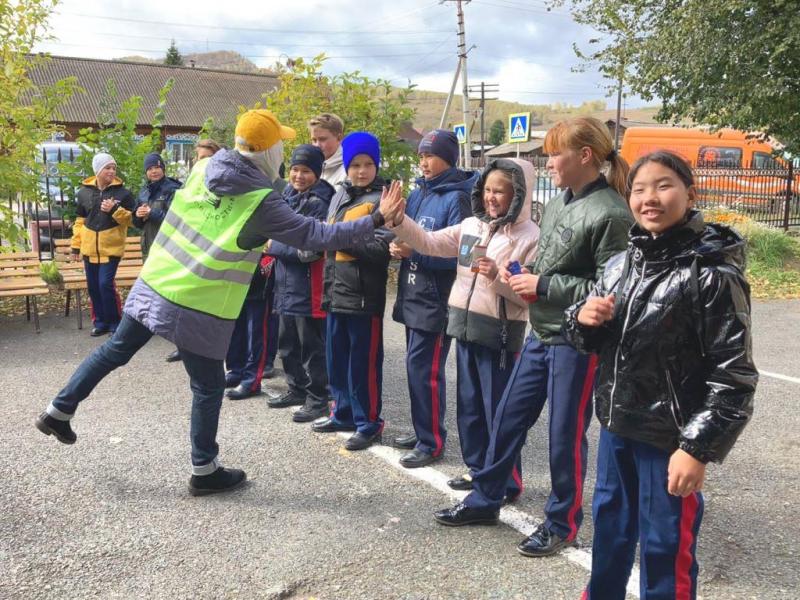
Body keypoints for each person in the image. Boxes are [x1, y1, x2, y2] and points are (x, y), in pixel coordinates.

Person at [34, 110, 405, 497]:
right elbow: (315, 235)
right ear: (269, 151)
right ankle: (204, 469)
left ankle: (58, 410)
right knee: (208, 387)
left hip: (158, 280)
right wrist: (377, 218)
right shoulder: (261, 203)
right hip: (198, 302)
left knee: (115, 350)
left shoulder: (204, 168)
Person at [433, 117, 634, 558]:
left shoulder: (612, 213)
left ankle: (562, 522)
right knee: (508, 417)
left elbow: (612, 289)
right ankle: (486, 499)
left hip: (578, 342)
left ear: (584, 156)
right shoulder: (562, 200)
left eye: (554, 153)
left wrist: (541, 285)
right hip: (542, 333)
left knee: (564, 435)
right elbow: (551, 263)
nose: (548, 163)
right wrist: (521, 276)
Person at [563, 151, 757, 599]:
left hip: (670, 441)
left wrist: (696, 448)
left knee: (664, 547)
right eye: (639, 188)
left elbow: (736, 376)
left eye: (663, 185)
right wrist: (582, 318)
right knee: (609, 533)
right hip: (616, 429)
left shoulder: (712, 274)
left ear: (690, 194)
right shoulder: (619, 265)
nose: (650, 197)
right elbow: (589, 341)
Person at [386, 158, 538, 489]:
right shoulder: (472, 226)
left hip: (499, 336)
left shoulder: (530, 236)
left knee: (499, 411)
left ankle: (508, 482)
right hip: (463, 328)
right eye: (487, 190)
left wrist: (498, 278)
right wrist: (397, 220)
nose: (492, 197)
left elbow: (529, 297)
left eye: (501, 191)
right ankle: (477, 469)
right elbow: (428, 241)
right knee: (470, 410)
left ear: (519, 195)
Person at [390, 129, 476, 468]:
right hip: (412, 294)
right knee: (414, 368)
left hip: (436, 299)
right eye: (421, 156)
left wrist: (417, 252)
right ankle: (421, 429)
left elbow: (460, 256)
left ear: (448, 158)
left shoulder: (457, 198)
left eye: (430, 155)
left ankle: (431, 441)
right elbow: (405, 231)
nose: (423, 162)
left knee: (425, 370)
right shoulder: (419, 192)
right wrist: (396, 245)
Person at [310, 132, 392, 451]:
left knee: (363, 364)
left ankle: (368, 421)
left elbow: (382, 248)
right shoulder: (339, 195)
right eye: (355, 164)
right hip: (335, 292)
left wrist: (344, 241)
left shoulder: (383, 200)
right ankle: (342, 412)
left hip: (363, 296)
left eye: (368, 164)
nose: (361, 171)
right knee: (337, 359)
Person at [267, 144, 336, 422]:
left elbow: (310, 249)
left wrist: (273, 246)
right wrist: (278, 242)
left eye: (306, 171)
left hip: (309, 286)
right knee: (287, 344)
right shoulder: (288, 196)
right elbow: (273, 231)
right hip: (285, 283)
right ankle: (296, 388)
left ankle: (318, 398)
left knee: (312, 347)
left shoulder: (320, 202)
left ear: (317, 173)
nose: (298, 176)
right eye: (295, 169)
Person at [70, 153, 135, 337]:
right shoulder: (83, 192)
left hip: (111, 249)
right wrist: (76, 246)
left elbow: (133, 220)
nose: (112, 171)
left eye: (113, 168)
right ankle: (100, 323)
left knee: (105, 284)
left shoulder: (123, 193)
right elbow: (79, 221)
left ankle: (115, 323)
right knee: (93, 286)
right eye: (107, 168)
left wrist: (115, 210)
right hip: (89, 250)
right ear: (97, 170)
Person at [223, 252, 278, 400]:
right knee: (235, 329)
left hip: (260, 271)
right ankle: (236, 370)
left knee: (256, 332)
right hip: (237, 269)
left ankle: (251, 380)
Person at [132, 152, 183, 259]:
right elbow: (137, 224)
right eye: (150, 169)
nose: (154, 171)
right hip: (148, 248)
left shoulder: (173, 189)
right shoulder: (144, 192)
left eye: (157, 167)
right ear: (146, 172)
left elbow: (175, 220)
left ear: (163, 169)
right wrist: (137, 215)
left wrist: (151, 213)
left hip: (169, 247)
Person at [308, 113, 346, 190]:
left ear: (339, 138)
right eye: (314, 140)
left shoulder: (350, 169)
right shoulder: (308, 166)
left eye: (322, 139)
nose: (317, 145)